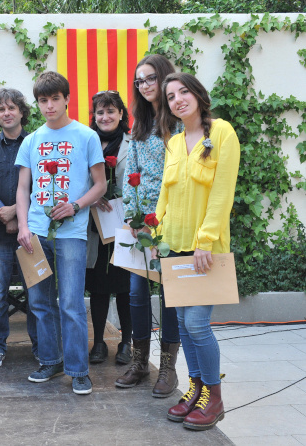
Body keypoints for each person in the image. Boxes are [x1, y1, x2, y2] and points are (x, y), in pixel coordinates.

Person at [15, 71, 106, 395]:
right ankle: (51, 361)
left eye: (55, 98)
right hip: (37, 233)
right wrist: (24, 226)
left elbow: (100, 184)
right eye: (43, 100)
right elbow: (23, 188)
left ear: (67, 98)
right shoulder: (31, 140)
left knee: (70, 302)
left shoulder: (86, 136)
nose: (50, 105)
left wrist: (76, 206)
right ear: (37, 103)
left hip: (71, 233)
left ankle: (78, 370)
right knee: (40, 302)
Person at [158, 72, 239, 430]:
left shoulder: (221, 132)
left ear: (197, 94)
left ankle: (215, 397)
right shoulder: (175, 142)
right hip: (174, 246)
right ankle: (196, 389)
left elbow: (223, 191)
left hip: (205, 249)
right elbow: (166, 193)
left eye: (183, 91)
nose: (178, 99)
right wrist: (155, 230)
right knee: (181, 325)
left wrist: (205, 239)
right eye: (171, 95)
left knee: (196, 323)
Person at [115, 54, 182, 398]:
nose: (144, 86)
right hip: (142, 225)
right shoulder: (138, 126)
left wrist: (168, 220)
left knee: (171, 295)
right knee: (137, 294)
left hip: (174, 222)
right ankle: (140, 363)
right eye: (139, 81)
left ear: (165, 77)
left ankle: (168, 369)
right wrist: (132, 217)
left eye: (150, 78)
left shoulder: (183, 123)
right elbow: (131, 176)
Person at [0, 88, 38, 368]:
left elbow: (42, 187)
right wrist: (2, 214)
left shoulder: (37, 143)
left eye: (11, 108)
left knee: (36, 290)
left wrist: (17, 213)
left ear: (21, 112)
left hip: (32, 232)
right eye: (1, 109)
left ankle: (41, 345)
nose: (6, 113)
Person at [85, 90, 132, 365]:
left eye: (111, 111)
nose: (105, 117)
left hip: (124, 225)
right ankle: (100, 342)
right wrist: (94, 196)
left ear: (121, 114)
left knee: (125, 286)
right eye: (100, 112)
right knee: (99, 286)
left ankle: (127, 343)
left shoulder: (132, 142)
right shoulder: (88, 142)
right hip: (95, 226)